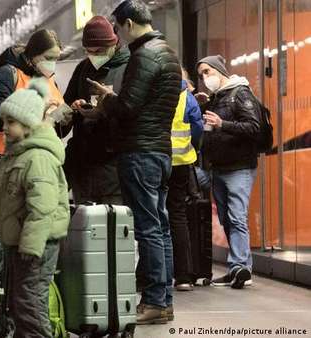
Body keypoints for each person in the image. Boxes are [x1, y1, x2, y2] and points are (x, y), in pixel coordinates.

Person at [88, 0, 181, 324]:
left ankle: (155, 300)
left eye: (118, 28)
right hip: (160, 151)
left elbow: (128, 107)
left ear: (127, 24)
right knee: (161, 227)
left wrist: (106, 99)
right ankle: (164, 300)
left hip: (140, 152)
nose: (118, 34)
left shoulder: (144, 56)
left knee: (148, 229)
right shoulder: (168, 52)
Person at [0, 79, 69, 337]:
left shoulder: (38, 158)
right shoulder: (11, 158)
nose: (4, 127)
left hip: (36, 246)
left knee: (30, 305)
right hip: (18, 244)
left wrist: (31, 247)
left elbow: (42, 209)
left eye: (11, 122)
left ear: (28, 124)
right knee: (17, 304)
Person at [195, 55, 261, 290]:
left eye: (207, 72)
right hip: (219, 168)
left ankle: (241, 266)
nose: (204, 78)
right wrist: (203, 105)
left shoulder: (240, 93)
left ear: (219, 70)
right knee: (226, 218)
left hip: (239, 168)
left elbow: (254, 126)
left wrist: (223, 124)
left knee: (237, 216)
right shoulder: (216, 98)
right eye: (201, 74)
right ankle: (238, 268)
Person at [59, 15, 129, 205]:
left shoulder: (129, 68)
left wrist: (108, 107)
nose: (94, 56)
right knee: (87, 226)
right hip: (84, 162)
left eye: (99, 51)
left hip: (115, 165)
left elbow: (134, 112)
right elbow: (66, 105)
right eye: (89, 51)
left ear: (114, 44)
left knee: (114, 224)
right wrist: (73, 109)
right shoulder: (83, 69)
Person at [0, 29, 71, 159]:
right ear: (33, 54)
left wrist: (66, 119)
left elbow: (57, 131)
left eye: (56, 59)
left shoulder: (50, 81)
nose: (52, 64)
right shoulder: (7, 75)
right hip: (4, 156)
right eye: (48, 58)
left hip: (39, 155)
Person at [168, 68, 203, 292]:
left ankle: (156, 276)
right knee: (178, 216)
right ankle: (183, 277)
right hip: (181, 163)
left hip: (157, 160)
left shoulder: (155, 94)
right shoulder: (187, 98)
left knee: (156, 218)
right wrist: (195, 149)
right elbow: (198, 128)